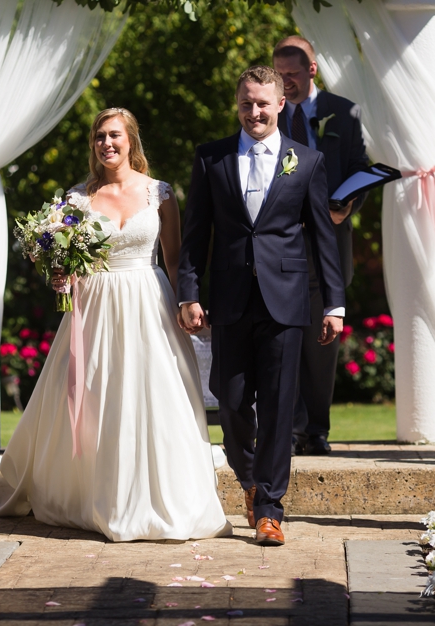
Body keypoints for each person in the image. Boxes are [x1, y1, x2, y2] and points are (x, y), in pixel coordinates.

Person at [0, 108, 231, 542]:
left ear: (131, 140)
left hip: (149, 302)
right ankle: (97, 490)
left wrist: (187, 303)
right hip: (95, 306)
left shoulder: (160, 193)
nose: (107, 143)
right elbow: (65, 261)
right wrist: (60, 273)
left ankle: (161, 493)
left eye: (115, 135)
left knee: (153, 394)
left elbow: (173, 259)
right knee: (99, 394)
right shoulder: (75, 200)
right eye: (99, 136)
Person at [178, 66, 345, 546]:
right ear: (238, 105)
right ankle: (251, 479)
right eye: (247, 103)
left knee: (277, 408)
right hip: (229, 301)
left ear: (280, 105)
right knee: (230, 404)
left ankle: (270, 508)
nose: (255, 112)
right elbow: (195, 235)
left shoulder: (306, 161)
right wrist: (189, 292)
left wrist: (334, 304)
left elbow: (322, 236)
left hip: (286, 301)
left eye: (263, 103)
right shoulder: (211, 158)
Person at [272, 36, 368, 457]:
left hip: (330, 240)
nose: (285, 83)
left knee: (322, 341)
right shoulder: (266, 112)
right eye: (280, 75)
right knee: (283, 336)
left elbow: (359, 168)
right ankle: (289, 429)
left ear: (312, 69)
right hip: (281, 244)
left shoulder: (343, 112)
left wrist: (347, 208)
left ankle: (317, 429)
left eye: (292, 74)